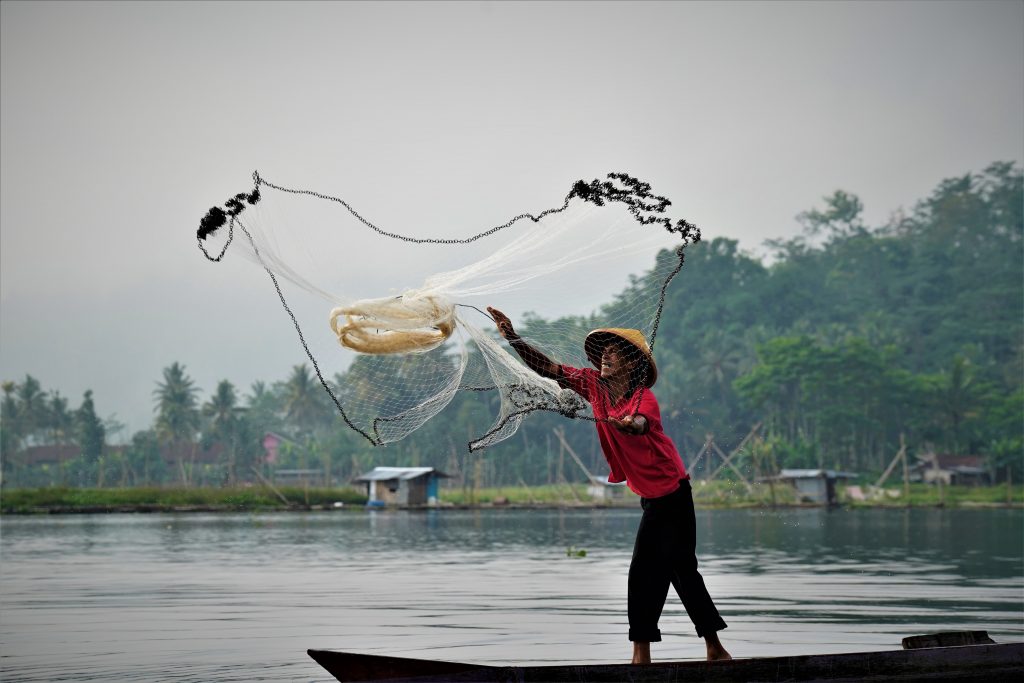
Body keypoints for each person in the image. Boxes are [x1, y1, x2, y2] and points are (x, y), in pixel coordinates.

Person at [487, 306, 732, 664]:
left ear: (633, 364)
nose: (606, 356)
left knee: (644, 569)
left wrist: (629, 424)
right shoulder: (592, 386)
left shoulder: (642, 398)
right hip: (651, 497)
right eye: (604, 351)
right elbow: (547, 368)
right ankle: (715, 649)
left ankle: (641, 654)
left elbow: (643, 423)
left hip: (673, 494)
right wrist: (513, 337)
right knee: (682, 570)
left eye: (615, 352)